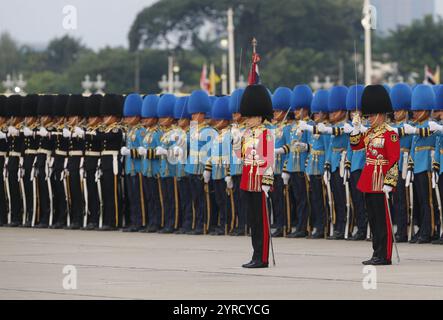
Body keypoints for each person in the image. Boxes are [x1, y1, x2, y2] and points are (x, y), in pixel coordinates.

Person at [350, 84, 400, 266]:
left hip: (382, 178)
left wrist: (390, 182)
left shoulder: (390, 134)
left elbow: (394, 160)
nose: (369, 118)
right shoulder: (370, 133)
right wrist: (356, 128)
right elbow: (356, 146)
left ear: (381, 113)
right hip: (369, 178)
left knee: (383, 218)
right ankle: (376, 252)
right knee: (373, 217)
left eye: (371, 115)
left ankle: (385, 254)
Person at [237, 84, 275, 269]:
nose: (248, 119)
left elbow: (269, 160)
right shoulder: (246, 134)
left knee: (262, 221)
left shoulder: (266, 134)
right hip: (248, 180)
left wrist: (267, 182)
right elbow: (240, 157)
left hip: (260, 181)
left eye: (251, 116)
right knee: (253, 220)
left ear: (260, 116)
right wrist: (237, 142)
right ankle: (255, 254)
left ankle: (263, 257)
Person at [389, 84, 413, 242]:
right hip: (394, 164)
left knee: (405, 200)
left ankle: (405, 230)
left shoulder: (410, 126)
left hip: (405, 164)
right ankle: (400, 229)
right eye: (395, 110)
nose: (395, 113)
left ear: (405, 110)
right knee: (396, 200)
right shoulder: (393, 126)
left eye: (398, 110)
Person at [120, 93, 146, 232]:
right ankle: (133, 220)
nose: (127, 119)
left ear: (136, 116)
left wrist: (131, 152)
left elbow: (143, 150)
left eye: (130, 116)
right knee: (132, 197)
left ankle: (140, 222)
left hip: (138, 168)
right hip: (130, 168)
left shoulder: (141, 131)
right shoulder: (130, 130)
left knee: (140, 197)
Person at [270, 87, 291, 237]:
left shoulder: (288, 128)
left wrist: (285, 168)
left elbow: (291, 146)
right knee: (275, 199)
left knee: (285, 200)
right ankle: (278, 224)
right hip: (273, 168)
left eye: (278, 111)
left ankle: (286, 225)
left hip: (283, 166)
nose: (275, 114)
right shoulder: (275, 127)